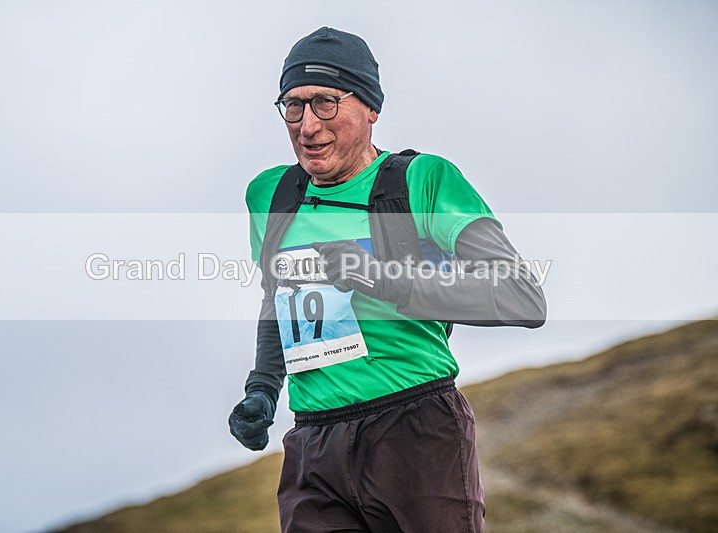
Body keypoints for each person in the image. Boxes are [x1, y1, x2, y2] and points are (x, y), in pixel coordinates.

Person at [229, 27, 547, 533]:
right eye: (293, 106)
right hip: (313, 445)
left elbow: (521, 297)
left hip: (415, 429)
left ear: (371, 108)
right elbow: (279, 296)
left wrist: (380, 276)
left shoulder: (421, 181)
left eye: (325, 103)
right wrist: (264, 388)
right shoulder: (271, 194)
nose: (307, 126)